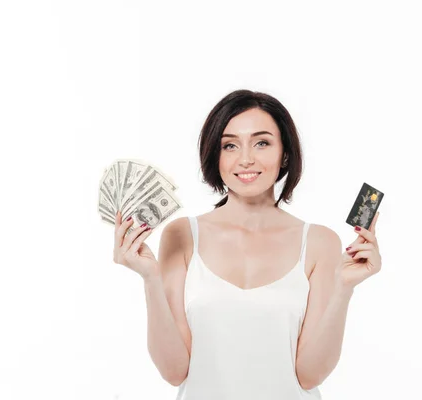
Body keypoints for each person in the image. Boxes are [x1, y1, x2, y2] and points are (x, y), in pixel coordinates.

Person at [113, 89, 382, 399]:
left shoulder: (320, 242)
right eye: (230, 145)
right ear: (215, 154)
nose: (245, 159)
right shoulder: (182, 234)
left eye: (262, 143)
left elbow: (309, 375)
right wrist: (150, 278)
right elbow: (174, 371)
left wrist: (344, 288)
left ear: (285, 153)